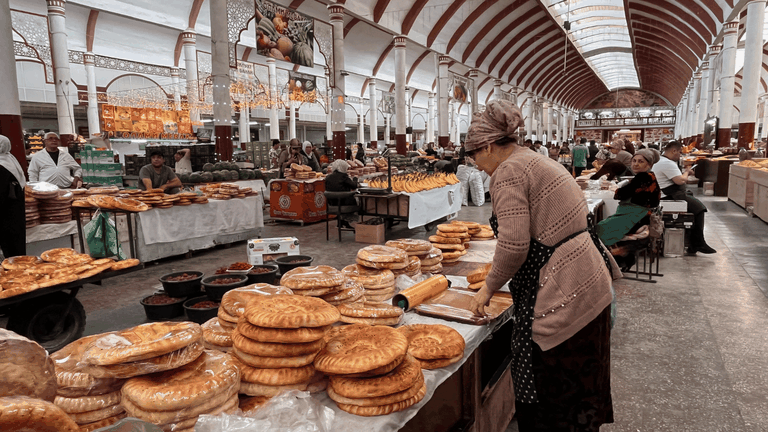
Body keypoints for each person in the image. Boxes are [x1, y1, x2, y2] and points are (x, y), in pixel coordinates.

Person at [465, 100, 618, 432]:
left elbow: (514, 245)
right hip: (588, 282)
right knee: (579, 398)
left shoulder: (508, 171)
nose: (477, 166)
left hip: (564, 293)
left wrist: (488, 287)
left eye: (475, 156)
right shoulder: (536, 160)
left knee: (553, 405)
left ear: (488, 146)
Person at [597, 149, 661, 270]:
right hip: (639, 215)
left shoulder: (643, 178)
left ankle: (615, 260)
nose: (636, 164)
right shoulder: (649, 176)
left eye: (640, 161)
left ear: (649, 165)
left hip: (637, 218)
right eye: (634, 161)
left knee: (600, 228)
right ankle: (623, 258)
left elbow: (620, 195)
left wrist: (618, 190)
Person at [652, 141, 716, 254]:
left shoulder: (662, 161)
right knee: (699, 208)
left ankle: (693, 243)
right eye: (679, 153)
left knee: (693, 201)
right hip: (667, 196)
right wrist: (686, 172)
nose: (680, 156)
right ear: (674, 151)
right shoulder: (667, 163)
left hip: (667, 194)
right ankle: (698, 243)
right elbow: (680, 180)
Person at [0, 135, 26, 258]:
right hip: (16, 208)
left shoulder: (1, 164)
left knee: (10, 245)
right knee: (16, 242)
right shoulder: (10, 159)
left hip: (5, 211)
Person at [325, 159, 358, 229]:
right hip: (344, 205)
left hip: (332, 205)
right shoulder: (344, 176)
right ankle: (346, 220)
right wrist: (355, 178)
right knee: (357, 200)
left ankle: (341, 222)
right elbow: (354, 186)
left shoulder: (328, 177)